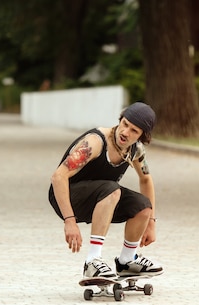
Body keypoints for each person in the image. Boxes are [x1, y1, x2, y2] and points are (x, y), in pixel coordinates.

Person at [49, 102, 164, 279]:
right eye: (125, 124)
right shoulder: (95, 142)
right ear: (120, 119)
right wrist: (69, 221)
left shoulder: (136, 150)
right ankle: (92, 261)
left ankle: (127, 261)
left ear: (141, 137)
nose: (125, 132)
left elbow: (146, 179)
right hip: (67, 197)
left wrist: (151, 222)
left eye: (134, 131)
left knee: (143, 206)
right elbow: (58, 177)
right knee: (112, 190)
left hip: (103, 197)